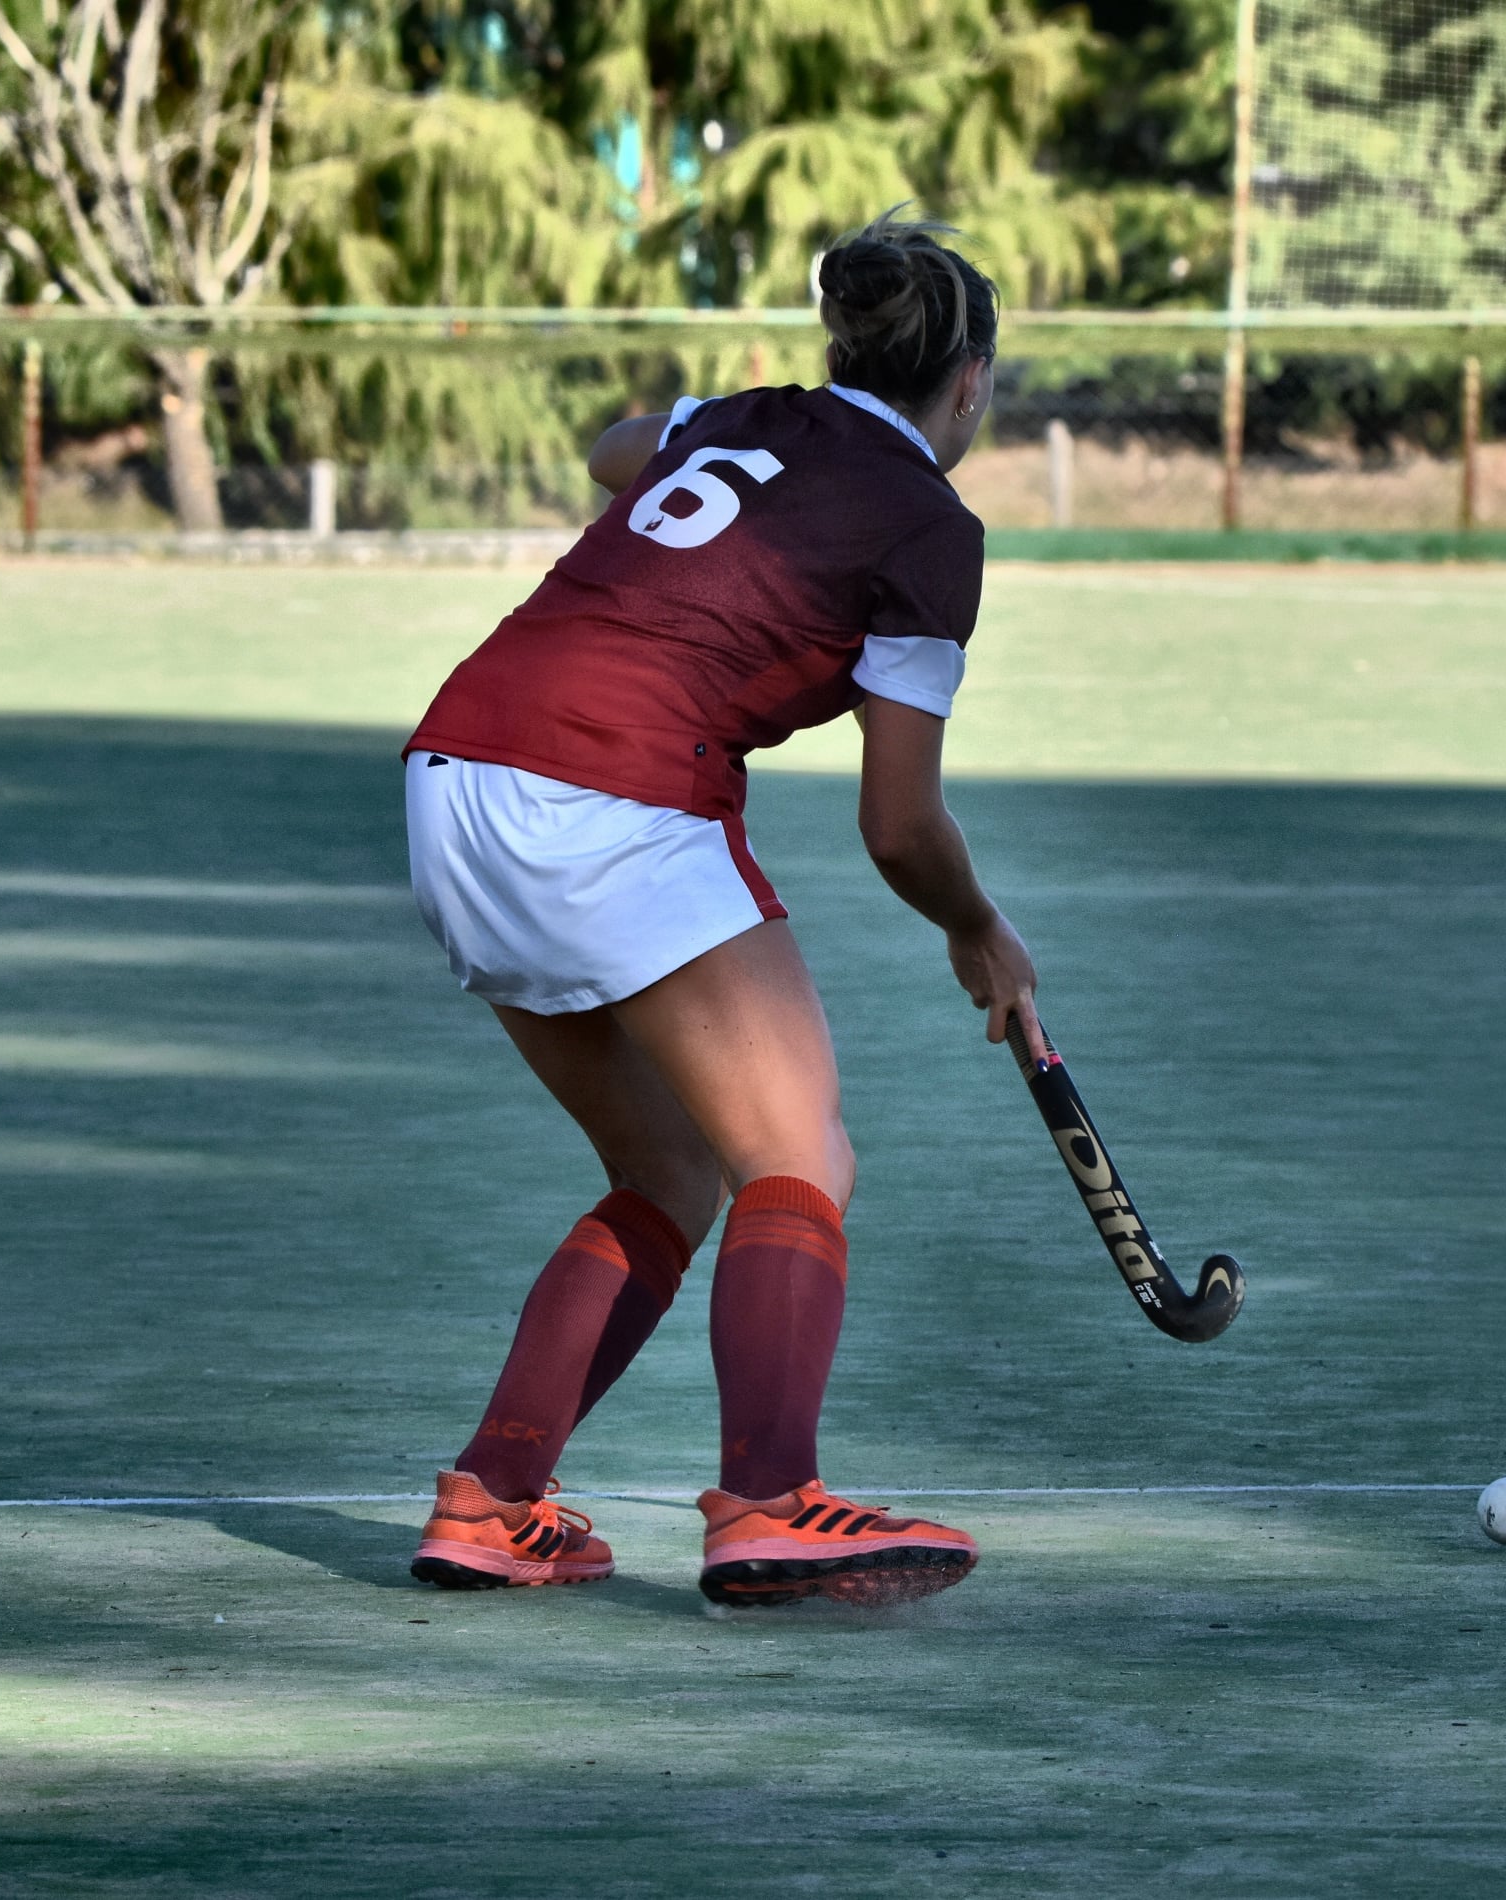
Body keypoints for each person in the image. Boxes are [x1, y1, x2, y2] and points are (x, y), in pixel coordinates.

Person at [400, 210, 1039, 1608]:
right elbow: (901, 823)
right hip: (613, 794)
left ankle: (492, 1501)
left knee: (671, 1174)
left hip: (455, 779)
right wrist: (977, 930)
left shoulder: (747, 418)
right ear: (972, 383)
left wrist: (702, 448)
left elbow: (613, 448)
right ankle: (768, 1499)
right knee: (799, 1153)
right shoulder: (931, 527)